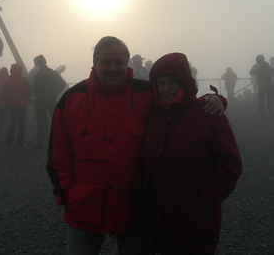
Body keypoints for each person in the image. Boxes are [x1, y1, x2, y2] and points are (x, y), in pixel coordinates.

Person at [47, 36, 224, 255]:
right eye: (106, 62)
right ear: (94, 64)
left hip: (134, 208)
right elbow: (58, 154)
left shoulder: (147, 94)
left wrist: (212, 99)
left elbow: (181, 104)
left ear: (127, 63)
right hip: (85, 208)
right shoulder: (72, 99)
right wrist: (66, 195)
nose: (113, 68)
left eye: (119, 62)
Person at [141, 52, 242, 255]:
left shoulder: (208, 113)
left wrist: (204, 199)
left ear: (185, 82)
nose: (167, 88)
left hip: (195, 221)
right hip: (155, 219)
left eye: (173, 82)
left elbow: (230, 163)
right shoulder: (149, 114)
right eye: (161, 83)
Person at [31, 55, 65, 149]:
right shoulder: (53, 72)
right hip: (52, 99)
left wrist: (39, 98)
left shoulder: (39, 75)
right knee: (55, 120)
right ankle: (57, 141)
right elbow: (63, 83)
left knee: (40, 121)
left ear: (38, 63)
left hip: (42, 101)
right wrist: (55, 93)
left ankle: (40, 142)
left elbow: (36, 89)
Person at [2, 63, 32, 148]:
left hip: (12, 104)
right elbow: (29, 91)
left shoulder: (8, 80)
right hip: (23, 104)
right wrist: (26, 96)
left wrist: (9, 97)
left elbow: (4, 92)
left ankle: (8, 143)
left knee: (12, 123)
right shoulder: (24, 80)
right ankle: (20, 143)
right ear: (20, 70)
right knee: (21, 124)